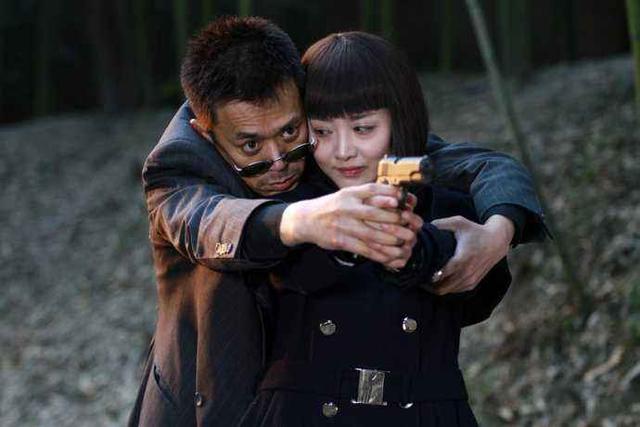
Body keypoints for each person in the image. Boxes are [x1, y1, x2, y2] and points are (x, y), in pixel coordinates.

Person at [128, 17, 548, 427]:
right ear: (207, 132)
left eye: (291, 132)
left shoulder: (341, 149)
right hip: (212, 396)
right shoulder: (181, 164)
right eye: (251, 145)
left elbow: (479, 165)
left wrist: (498, 232)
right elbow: (207, 222)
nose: (278, 161)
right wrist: (301, 220)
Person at [237, 31, 513, 427]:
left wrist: (422, 251)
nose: (343, 150)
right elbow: (289, 272)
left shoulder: (449, 203)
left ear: (399, 120)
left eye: (363, 129)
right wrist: (344, 233)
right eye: (322, 131)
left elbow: (479, 298)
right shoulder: (288, 202)